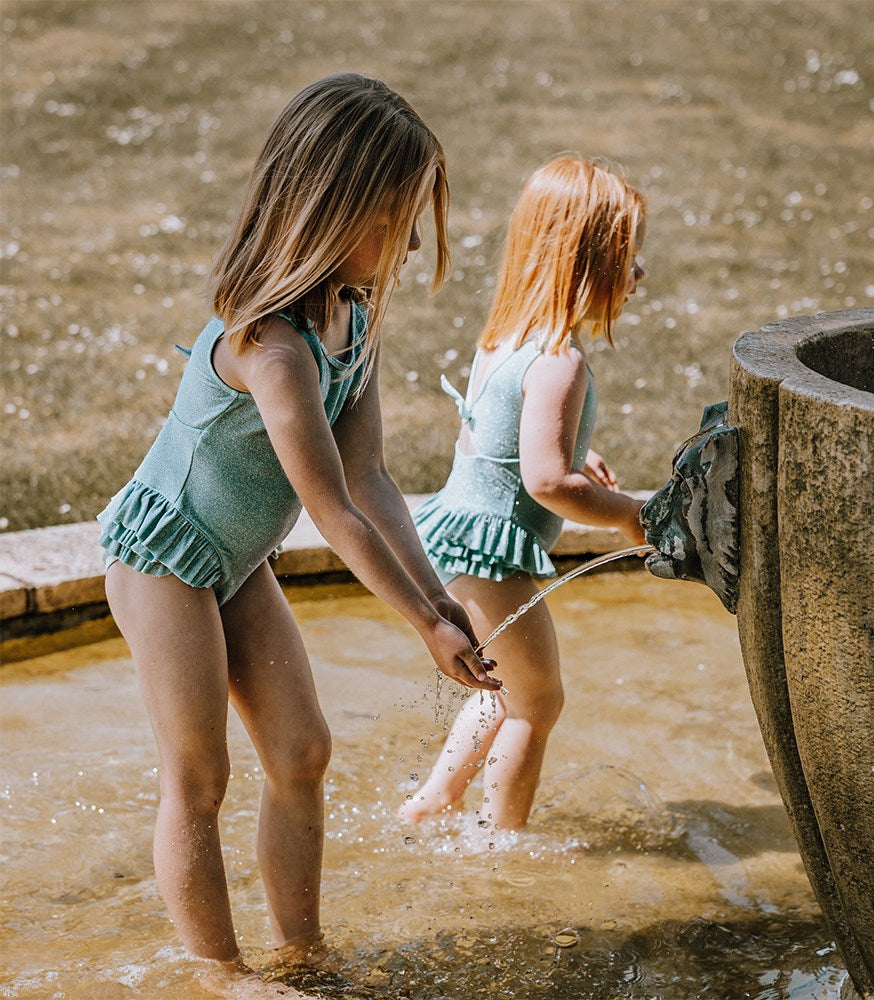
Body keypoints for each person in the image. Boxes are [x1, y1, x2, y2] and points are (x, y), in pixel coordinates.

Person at [97, 73, 500, 988]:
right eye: (394, 218)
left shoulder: (352, 323)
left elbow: (374, 479)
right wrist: (426, 629)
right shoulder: (270, 346)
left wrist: (442, 597)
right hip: (164, 556)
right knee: (199, 776)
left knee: (302, 751)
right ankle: (220, 972)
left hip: (233, 563)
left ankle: (302, 951)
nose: (405, 244)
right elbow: (331, 510)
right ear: (332, 208)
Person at [398, 155, 648, 832]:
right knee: (538, 703)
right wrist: (629, 517)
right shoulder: (559, 359)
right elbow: (544, 482)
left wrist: (572, 449)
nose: (639, 274)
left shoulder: (506, 336)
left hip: (455, 532)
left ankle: (434, 801)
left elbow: (493, 431)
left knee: (503, 685)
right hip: (494, 554)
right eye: (628, 257)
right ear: (587, 261)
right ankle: (498, 841)